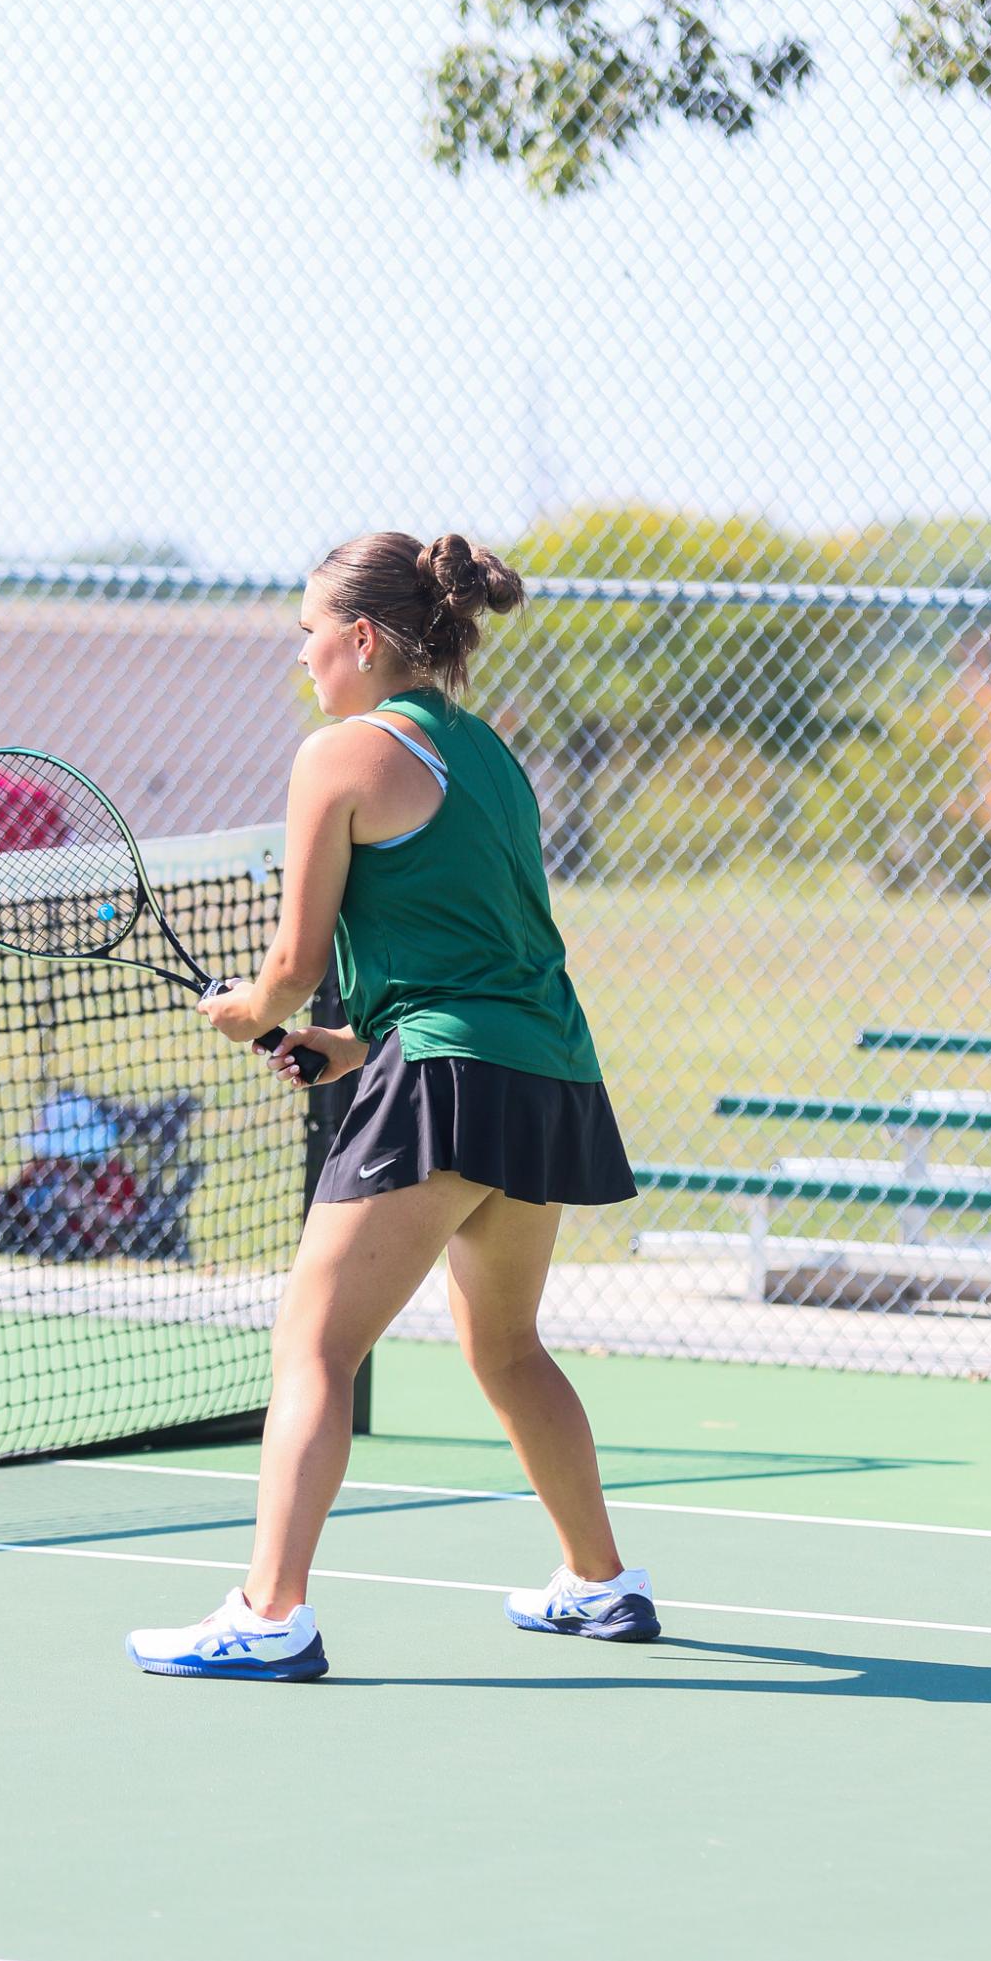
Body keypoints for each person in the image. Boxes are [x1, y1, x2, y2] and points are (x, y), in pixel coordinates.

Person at [126, 531, 657, 1681]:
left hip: (447, 1079)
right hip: (545, 1073)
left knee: (312, 1348)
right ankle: (601, 1584)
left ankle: (269, 1616)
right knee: (507, 1348)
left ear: (361, 639)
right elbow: (485, 950)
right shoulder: (489, 756)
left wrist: (255, 1012)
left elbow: (287, 965)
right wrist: (345, 1043)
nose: (304, 657)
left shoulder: (338, 755)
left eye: (310, 634)